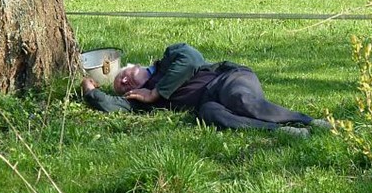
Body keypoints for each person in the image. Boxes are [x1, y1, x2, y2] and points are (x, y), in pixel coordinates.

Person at [81, 43, 331, 137]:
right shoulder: (140, 98)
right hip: (206, 102)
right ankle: (282, 131)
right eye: (120, 86)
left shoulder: (170, 56)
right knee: (212, 115)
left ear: (136, 65)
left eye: (124, 75)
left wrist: (156, 93)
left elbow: (191, 60)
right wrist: (91, 92)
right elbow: (115, 106)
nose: (125, 82)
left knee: (240, 100)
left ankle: (307, 121)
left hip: (228, 80)